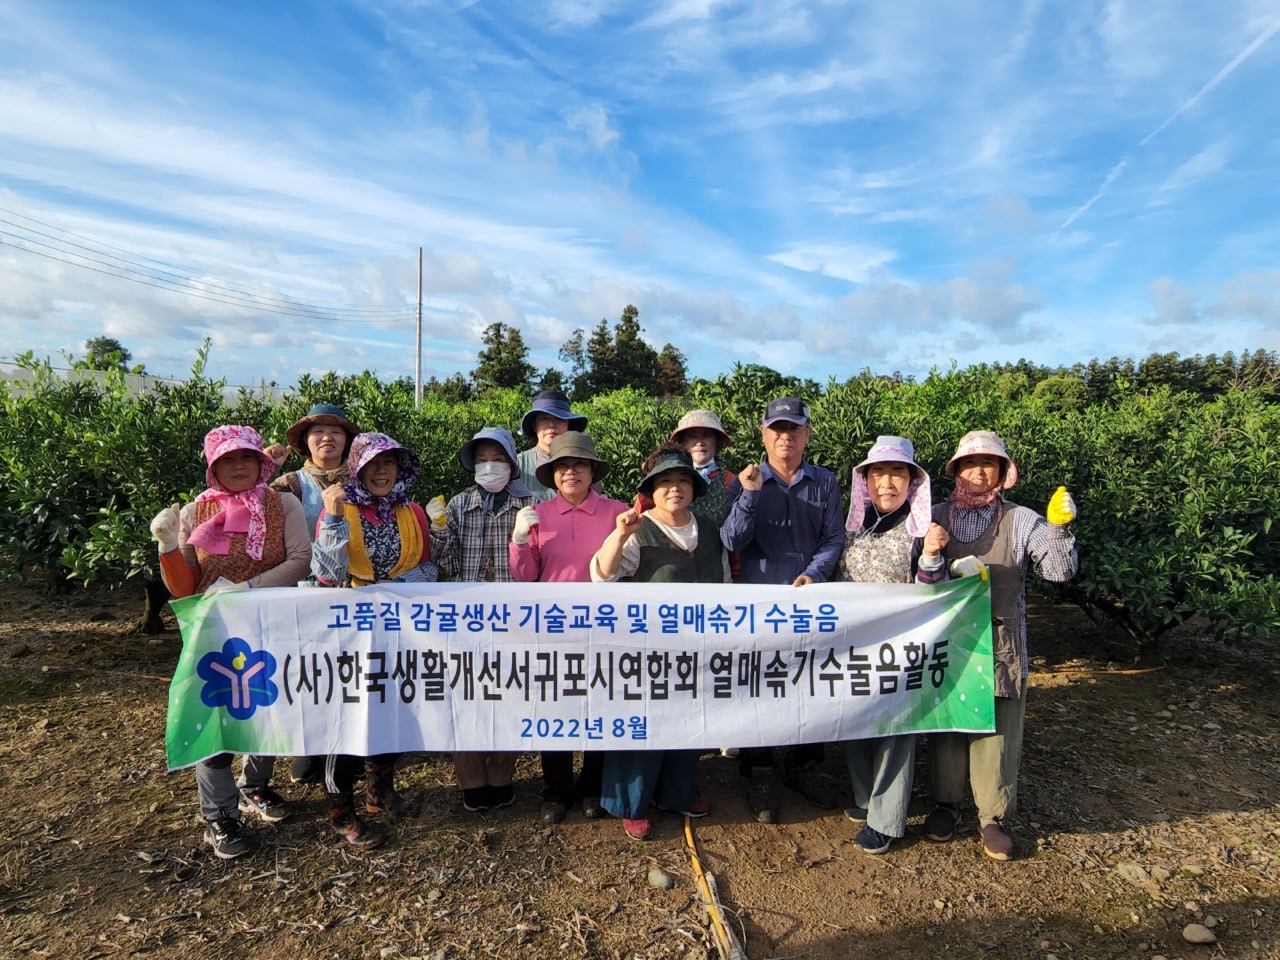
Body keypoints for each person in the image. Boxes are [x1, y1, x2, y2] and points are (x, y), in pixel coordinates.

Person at [149, 425, 311, 859]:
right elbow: (184, 587)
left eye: (247, 458)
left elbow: (300, 558)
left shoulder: (283, 503)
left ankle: (255, 786)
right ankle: (219, 814)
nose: (239, 466)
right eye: (228, 460)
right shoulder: (194, 513)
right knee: (216, 717)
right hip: (215, 631)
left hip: (271, 622)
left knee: (271, 706)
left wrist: (248, 588)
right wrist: (167, 547)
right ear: (213, 467)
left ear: (261, 462)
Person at [916, 430, 1078, 861]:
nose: (978, 471)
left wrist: (1059, 530)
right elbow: (915, 585)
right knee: (949, 724)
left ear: (1004, 473)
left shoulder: (1022, 519)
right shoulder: (934, 516)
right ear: (956, 471)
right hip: (950, 642)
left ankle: (992, 817)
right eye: (969, 463)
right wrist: (931, 556)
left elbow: (1059, 573)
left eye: (989, 463)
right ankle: (946, 804)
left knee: (998, 729)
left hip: (1002, 642)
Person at [591, 446, 729, 839]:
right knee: (643, 724)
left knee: (687, 721)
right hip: (646, 647)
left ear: (694, 488)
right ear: (652, 489)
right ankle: (630, 803)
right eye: (665, 482)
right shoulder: (639, 527)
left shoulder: (708, 528)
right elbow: (602, 576)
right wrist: (619, 536)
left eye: (683, 480)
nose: (674, 488)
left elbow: (724, 583)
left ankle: (678, 793)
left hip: (696, 646)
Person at [720, 396, 844, 823]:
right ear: (763, 433)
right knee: (762, 682)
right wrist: (750, 496)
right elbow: (733, 540)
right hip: (760, 607)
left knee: (809, 680)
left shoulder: (825, 482)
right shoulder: (747, 480)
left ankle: (804, 765)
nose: (784, 437)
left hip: (809, 603)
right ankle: (760, 768)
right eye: (776, 429)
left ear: (807, 433)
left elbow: (833, 539)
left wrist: (814, 574)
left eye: (793, 429)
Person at [310, 432, 438, 847]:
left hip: (397, 626)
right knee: (346, 717)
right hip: (350, 627)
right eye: (373, 464)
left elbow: (425, 567)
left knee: (390, 709)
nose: (382, 472)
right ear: (357, 469)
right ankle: (339, 810)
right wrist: (331, 519)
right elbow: (326, 575)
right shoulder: (339, 508)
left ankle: (379, 789)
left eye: (391, 463)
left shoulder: (411, 511)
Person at [508, 431, 629, 823]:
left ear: (592, 470)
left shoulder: (616, 512)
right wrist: (519, 541)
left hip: (603, 630)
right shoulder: (538, 516)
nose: (570, 472)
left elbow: (628, 571)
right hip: (553, 630)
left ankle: (592, 787)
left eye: (578, 464)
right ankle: (556, 790)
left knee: (598, 706)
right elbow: (525, 577)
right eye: (562, 466)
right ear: (552, 474)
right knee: (554, 709)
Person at [430, 427, 537, 813]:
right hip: (467, 619)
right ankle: (471, 778)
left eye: (497, 458)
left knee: (511, 694)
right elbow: (447, 566)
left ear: (511, 463)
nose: (489, 466)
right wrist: (438, 532)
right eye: (481, 459)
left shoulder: (530, 504)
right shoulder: (458, 505)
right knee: (467, 695)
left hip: (516, 619)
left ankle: (502, 773)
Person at [836, 436, 933, 855]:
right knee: (856, 722)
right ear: (866, 481)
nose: (886, 483)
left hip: (900, 646)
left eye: (897, 473)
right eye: (878, 474)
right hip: (855, 646)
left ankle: (888, 819)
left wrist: (930, 558)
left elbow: (935, 590)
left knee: (895, 732)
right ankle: (865, 797)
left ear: (911, 481)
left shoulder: (922, 530)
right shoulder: (855, 526)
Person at [265, 402, 362, 786]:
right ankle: (312, 746)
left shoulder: (362, 477)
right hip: (305, 593)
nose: (327, 438)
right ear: (305, 442)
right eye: (318, 432)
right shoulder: (291, 483)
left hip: (354, 591)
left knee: (349, 674)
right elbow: (252, 509)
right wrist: (265, 468)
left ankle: (349, 746)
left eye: (336, 432)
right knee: (311, 674)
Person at [515, 390, 589, 502]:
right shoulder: (518, 464)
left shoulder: (586, 464)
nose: (551, 425)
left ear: (568, 425)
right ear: (534, 426)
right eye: (544, 418)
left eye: (559, 418)